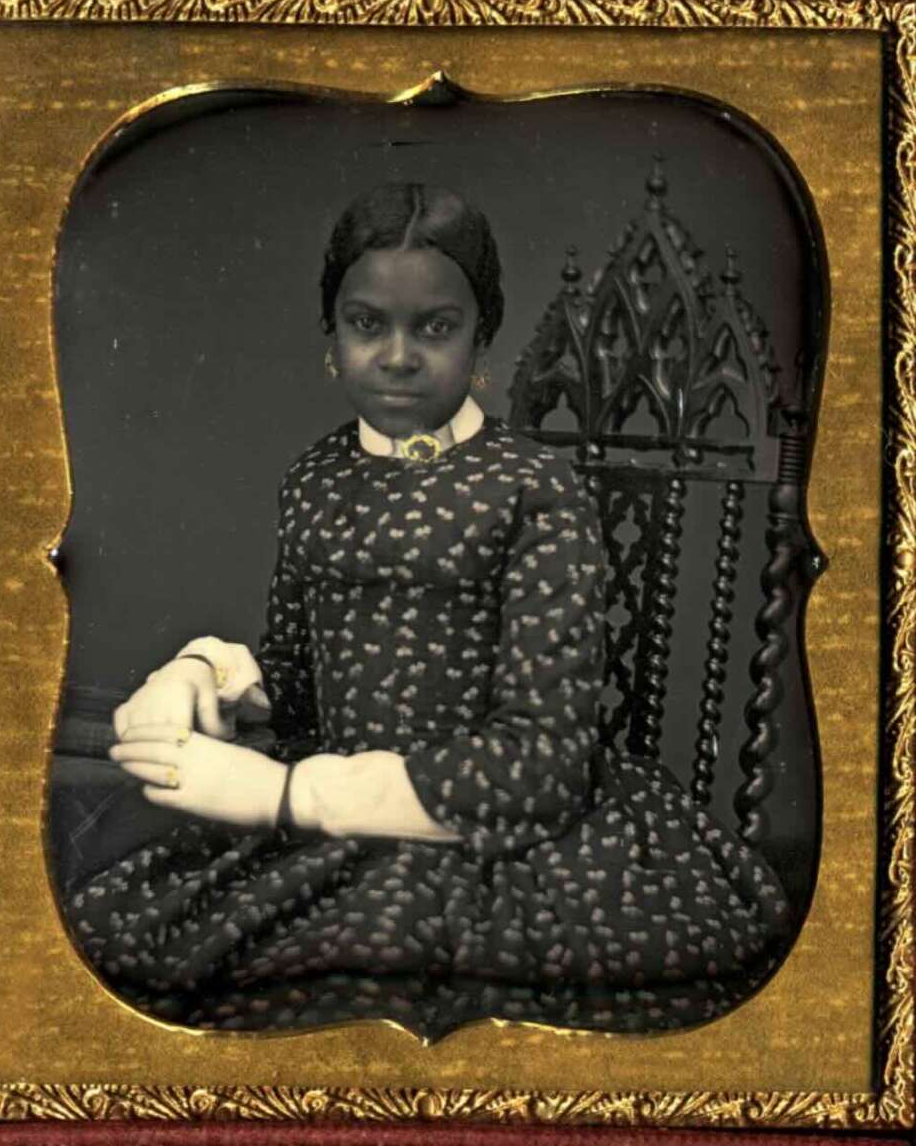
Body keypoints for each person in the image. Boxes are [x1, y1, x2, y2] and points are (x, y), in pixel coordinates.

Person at [63, 182, 792, 1037]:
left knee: (381, 994)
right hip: (335, 830)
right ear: (330, 336)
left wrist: (288, 793)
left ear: (480, 337)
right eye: (367, 324)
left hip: (509, 845)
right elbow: (300, 692)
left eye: (435, 327)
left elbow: (542, 767)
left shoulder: (534, 490)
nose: (399, 355)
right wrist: (205, 672)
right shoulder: (315, 480)